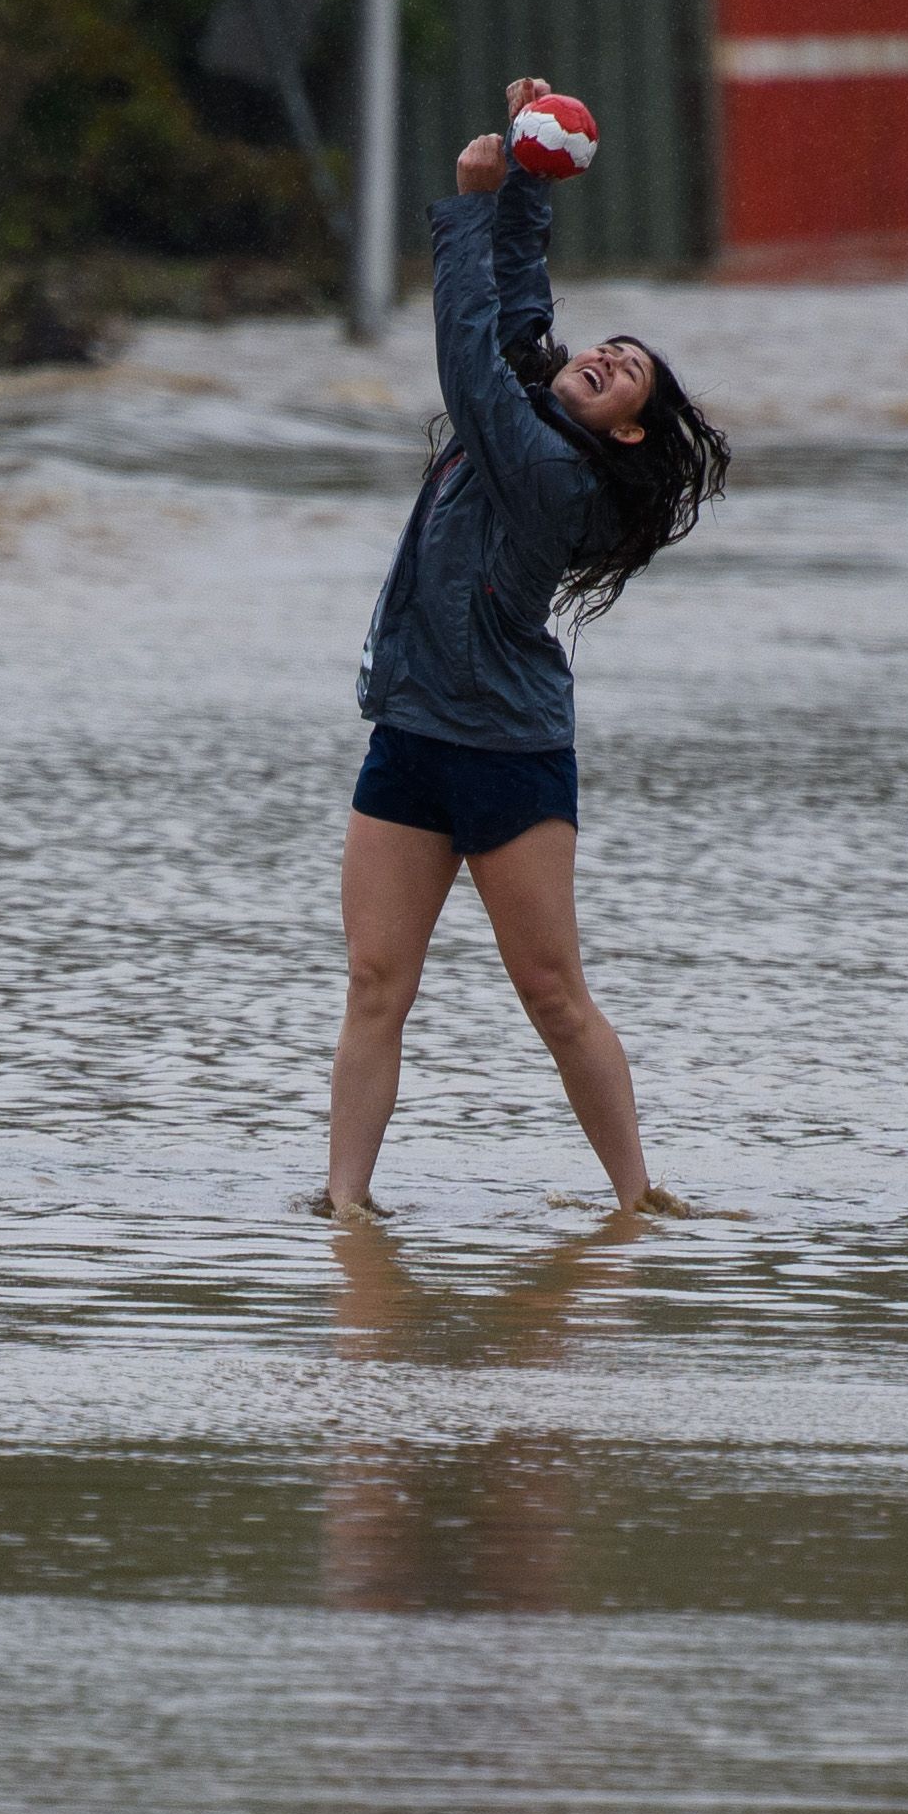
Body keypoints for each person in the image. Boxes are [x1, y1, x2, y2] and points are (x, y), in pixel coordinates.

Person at [324, 77, 732, 1222]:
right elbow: (508, 323)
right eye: (605, 347)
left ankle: (637, 1196)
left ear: (629, 430)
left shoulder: (554, 471)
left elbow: (466, 356)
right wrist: (524, 191)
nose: (604, 357)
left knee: (553, 995)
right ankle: (345, 1207)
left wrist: (465, 200)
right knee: (372, 983)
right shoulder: (533, 397)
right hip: (408, 732)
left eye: (628, 372)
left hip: (506, 752)